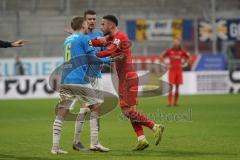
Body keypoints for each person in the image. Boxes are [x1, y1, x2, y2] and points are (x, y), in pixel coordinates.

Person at [91, 15, 165, 151]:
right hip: (125, 77)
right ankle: (141, 139)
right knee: (131, 111)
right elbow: (97, 42)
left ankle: (155, 126)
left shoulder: (120, 36)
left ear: (111, 26)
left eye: (103, 24)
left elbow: (110, 51)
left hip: (127, 78)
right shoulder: (111, 38)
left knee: (126, 111)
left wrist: (92, 56)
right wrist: (81, 39)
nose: (100, 27)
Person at [51, 16, 115, 154]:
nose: (88, 24)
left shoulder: (67, 40)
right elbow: (93, 58)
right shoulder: (84, 39)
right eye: (87, 22)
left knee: (62, 111)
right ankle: (95, 143)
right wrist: (111, 59)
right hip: (80, 80)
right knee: (96, 106)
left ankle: (55, 147)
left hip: (66, 80)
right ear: (82, 25)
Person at [72, 10, 110, 152]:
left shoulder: (100, 35)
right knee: (87, 107)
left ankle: (93, 142)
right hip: (84, 76)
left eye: (94, 19)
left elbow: (102, 52)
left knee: (95, 109)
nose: (92, 21)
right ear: (84, 21)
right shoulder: (80, 36)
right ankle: (80, 141)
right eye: (89, 19)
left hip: (97, 75)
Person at [160, 38, 190, 106]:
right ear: (173, 43)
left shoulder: (182, 51)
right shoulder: (169, 51)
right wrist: (166, 64)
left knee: (177, 87)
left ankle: (175, 102)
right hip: (172, 71)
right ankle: (169, 103)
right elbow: (161, 56)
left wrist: (184, 63)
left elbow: (188, 57)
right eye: (174, 42)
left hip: (179, 71)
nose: (176, 43)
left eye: (177, 42)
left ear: (179, 43)